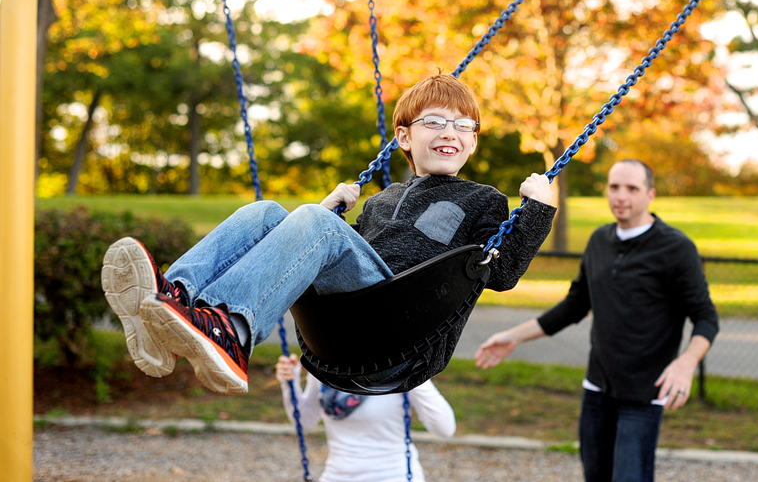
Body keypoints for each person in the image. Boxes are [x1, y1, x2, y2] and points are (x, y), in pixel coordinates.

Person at [102, 73, 556, 395]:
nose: (449, 133)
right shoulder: (381, 199)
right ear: (403, 137)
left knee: (312, 221)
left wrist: (539, 209)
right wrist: (326, 215)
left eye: (463, 126)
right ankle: (171, 300)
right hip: (351, 317)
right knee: (265, 212)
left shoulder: (484, 199)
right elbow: (335, 254)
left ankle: (232, 331)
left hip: (402, 327)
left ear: (474, 141)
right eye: (434, 122)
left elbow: (502, 273)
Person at [474, 159, 718, 482]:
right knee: (595, 475)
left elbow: (706, 317)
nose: (621, 196)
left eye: (632, 189)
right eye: (615, 187)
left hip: (645, 393)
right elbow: (574, 306)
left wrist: (686, 363)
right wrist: (514, 336)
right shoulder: (599, 240)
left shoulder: (676, 248)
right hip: (597, 388)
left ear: (650, 195)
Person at [275, 353, 455, 482]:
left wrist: (414, 375)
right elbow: (305, 422)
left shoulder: (397, 367)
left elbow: (445, 429)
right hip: (337, 474)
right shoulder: (327, 368)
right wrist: (290, 384)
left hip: (394, 474)